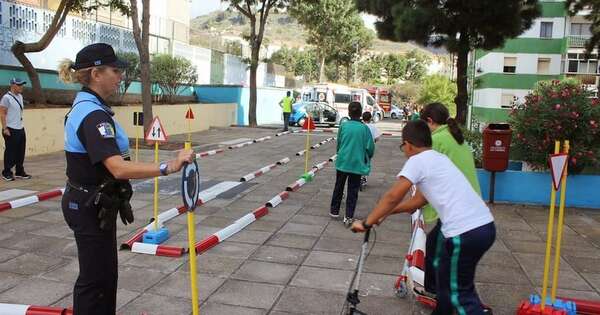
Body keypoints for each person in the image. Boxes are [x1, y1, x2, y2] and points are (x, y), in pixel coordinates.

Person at [58, 43, 194, 315]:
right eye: (116, 70)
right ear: (96, 73)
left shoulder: (91, 106)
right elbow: (118, 168)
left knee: (104, 277)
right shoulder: (92, 114)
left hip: (94, 202)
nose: (120, 76)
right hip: (87, 204)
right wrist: (168, 165)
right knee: (95, 282)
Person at [352, 120, 495, 315]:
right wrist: (384, 214)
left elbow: (393, 196)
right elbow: (417, 201)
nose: (404, 150)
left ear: (408, 144)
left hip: (465, 232)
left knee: (459, 293)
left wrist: (367, 222)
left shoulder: (417, 161)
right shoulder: (438, 158)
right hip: (482, 227)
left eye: (403, 146)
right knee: (444, 277)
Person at [417, 102, 482, 298]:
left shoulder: (437, 140)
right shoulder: (454, 136)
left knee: (437, 249)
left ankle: (436, 290)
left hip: (458, 208)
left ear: (430, 121)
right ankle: (440, 289)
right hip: (468, 204)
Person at [330, 101, 374, 226]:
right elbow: (370, 147)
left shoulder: (344, 126)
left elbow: (339, 143)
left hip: (343, 162)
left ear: (348, 112)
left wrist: (340, 153)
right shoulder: (364, 128)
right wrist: (367, 157)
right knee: (353, 190)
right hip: (356, 164)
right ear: (360, 113)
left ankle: (334, 211)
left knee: (338, 186)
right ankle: (348, 216)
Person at [1, 77, 31, 181]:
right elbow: (2, 113)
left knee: (20, 151)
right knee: (10, 151)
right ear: (13, 85)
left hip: (20, 128)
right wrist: (5, 128)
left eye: (22, 84)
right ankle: (6, 172)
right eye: (19, 85)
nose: (21, 87)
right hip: (10, 128)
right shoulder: (6, 98)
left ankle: (19, 171)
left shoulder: (20, 97)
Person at [359, 111, 380, 190]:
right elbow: (377, 138)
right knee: (367, 162)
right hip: (369, 147)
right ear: (370, 118)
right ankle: (364, 177)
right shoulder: (373, 127)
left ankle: (359, 176)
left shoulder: (361, 126)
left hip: (360, 147)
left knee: (360, 161)